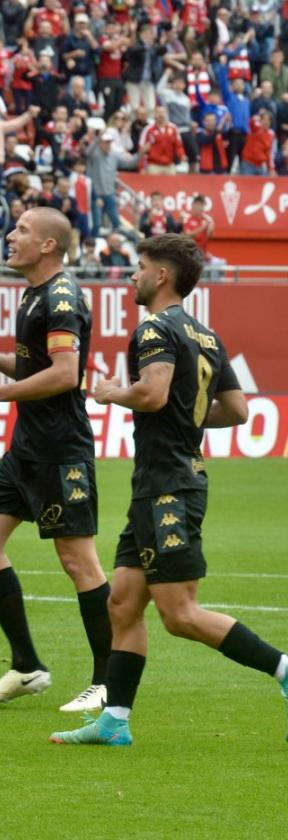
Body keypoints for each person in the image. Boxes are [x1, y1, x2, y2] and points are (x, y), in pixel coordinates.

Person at [52, 234, 288, 746]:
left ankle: (284, 668)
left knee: (179, 614)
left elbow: (152, 393)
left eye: (139, 267)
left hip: (169, 487)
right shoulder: (205, 335)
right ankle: (114, 723)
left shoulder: (155, 329)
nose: (131, 275)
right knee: (122, 603)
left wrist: (113, 392)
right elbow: (238, 411)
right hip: (158, 485)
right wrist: (190, 420)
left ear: (162, 276)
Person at [0, 207, 112, 713]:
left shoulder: (63, 296)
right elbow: (35, 366)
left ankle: (108, 682)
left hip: (61, 451)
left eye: (22, 229)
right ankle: (26, 665)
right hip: (27, 449)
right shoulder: (34, 295)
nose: (10, 235)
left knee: (78, 561)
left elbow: (66, 374)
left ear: (48, 245)